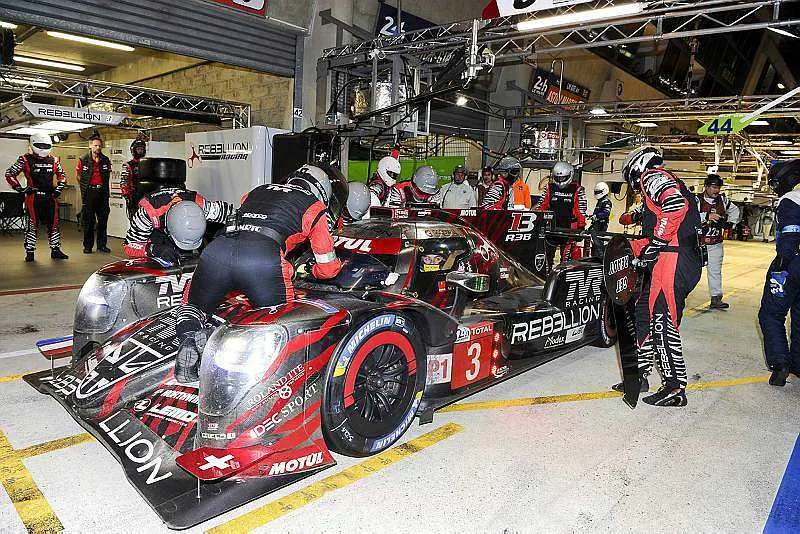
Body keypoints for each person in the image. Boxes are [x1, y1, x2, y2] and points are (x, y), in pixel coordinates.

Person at [174, 165, 343, 382]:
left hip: (217, 250)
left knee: (192, 307)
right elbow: (329, 268)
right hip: (262, 259)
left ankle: (190, 339)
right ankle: (222, 342)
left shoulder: (258, 190)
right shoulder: (314, 206)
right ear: (322, 191)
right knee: (281, 326)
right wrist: (310, 270)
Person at [614, 146, 702, 407]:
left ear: (636, 169)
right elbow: (657, 233)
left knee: (663, 323)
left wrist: (656, 243)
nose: (635, 186)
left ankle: (675, 387)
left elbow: (675, 207)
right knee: (643, 314)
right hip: (672, 258)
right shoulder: (667, 181)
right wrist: (628, 247)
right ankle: (639, 376)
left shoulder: (652, 176)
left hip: (673, 260)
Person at [758, 159, 800, 386]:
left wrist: (781, 266)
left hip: (792, 263)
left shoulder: (790, 200)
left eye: (775, 183)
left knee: (771, 313)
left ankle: (780, 363)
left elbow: (791, 233)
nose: (774, 188)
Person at [123, 184, 233, 263]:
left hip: (176, 212)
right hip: (155, 231)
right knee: (162, 257)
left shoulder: (202, 205)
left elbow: (233, 214)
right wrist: (152, 249)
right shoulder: (148, 212)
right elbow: (129, 245)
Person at [4, 133, 69, 262]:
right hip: (33, 198)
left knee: (54, 224)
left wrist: (59, 188)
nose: (43, 148)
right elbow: (9, 173)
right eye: (40, 145)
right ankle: (30, 252)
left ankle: (55, 250)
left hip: (50, 197)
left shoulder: (54, 160)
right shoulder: (24, 159)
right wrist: (20, 189)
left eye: (45, 146)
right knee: (32, 225)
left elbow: (62, 175)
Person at [696, 174, 740, 309]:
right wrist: (706, 216)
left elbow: (735, 210)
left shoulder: (723, 200)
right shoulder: (696, 200)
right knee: (691, 271)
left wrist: (730, 223)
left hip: (715, 243)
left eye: (718, 188)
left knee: (715, 271)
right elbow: (689, 215)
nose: (716, 190)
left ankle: (716, 298)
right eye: (714, 187)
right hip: (696, 244)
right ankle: (680, 295)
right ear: (706, 186)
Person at [535, 161, 587, 263]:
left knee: (566, 261)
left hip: (569, 230)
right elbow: (542, 206)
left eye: (563, 178)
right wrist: (538, 220)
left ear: (570, 175)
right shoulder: (549, 187)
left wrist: (581, 227)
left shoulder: (578, 189)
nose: (560, 180)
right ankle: (547, 272)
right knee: (546, 258)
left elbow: (581, 210)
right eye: (558, 178)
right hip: (551, 229)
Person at [77, 135, 112, 254]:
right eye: (95, 145)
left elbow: (108, 176)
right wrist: (85, 190)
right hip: (89, 193)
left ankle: (102, 245)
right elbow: (78, 176)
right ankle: (88, 246)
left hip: (102, 193)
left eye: (99, 146)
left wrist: (105, 191)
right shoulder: (83, 159)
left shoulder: (105, 160)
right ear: (90, 146)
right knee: (89, 221)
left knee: (103, 220)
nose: (98, 147)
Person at [121, 138, 147, 218]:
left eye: (142, 149)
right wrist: (127, 196)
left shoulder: (148, 163)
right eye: (138, 149)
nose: (140, 151)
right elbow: (124, 182)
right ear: (133, 150)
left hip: (146, 194)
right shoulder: (128, 165)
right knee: (134, 217)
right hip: (134, 195)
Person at [589, 181, 612, 257]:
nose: (597, 193)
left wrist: (596, 216)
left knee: (598, 245)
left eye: (598, 192)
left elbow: (606, 213)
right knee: (594, 244)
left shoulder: (606, 201)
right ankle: (595, 257)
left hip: (601, 225)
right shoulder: (600, 201)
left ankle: (600, 258)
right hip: (596, 225)